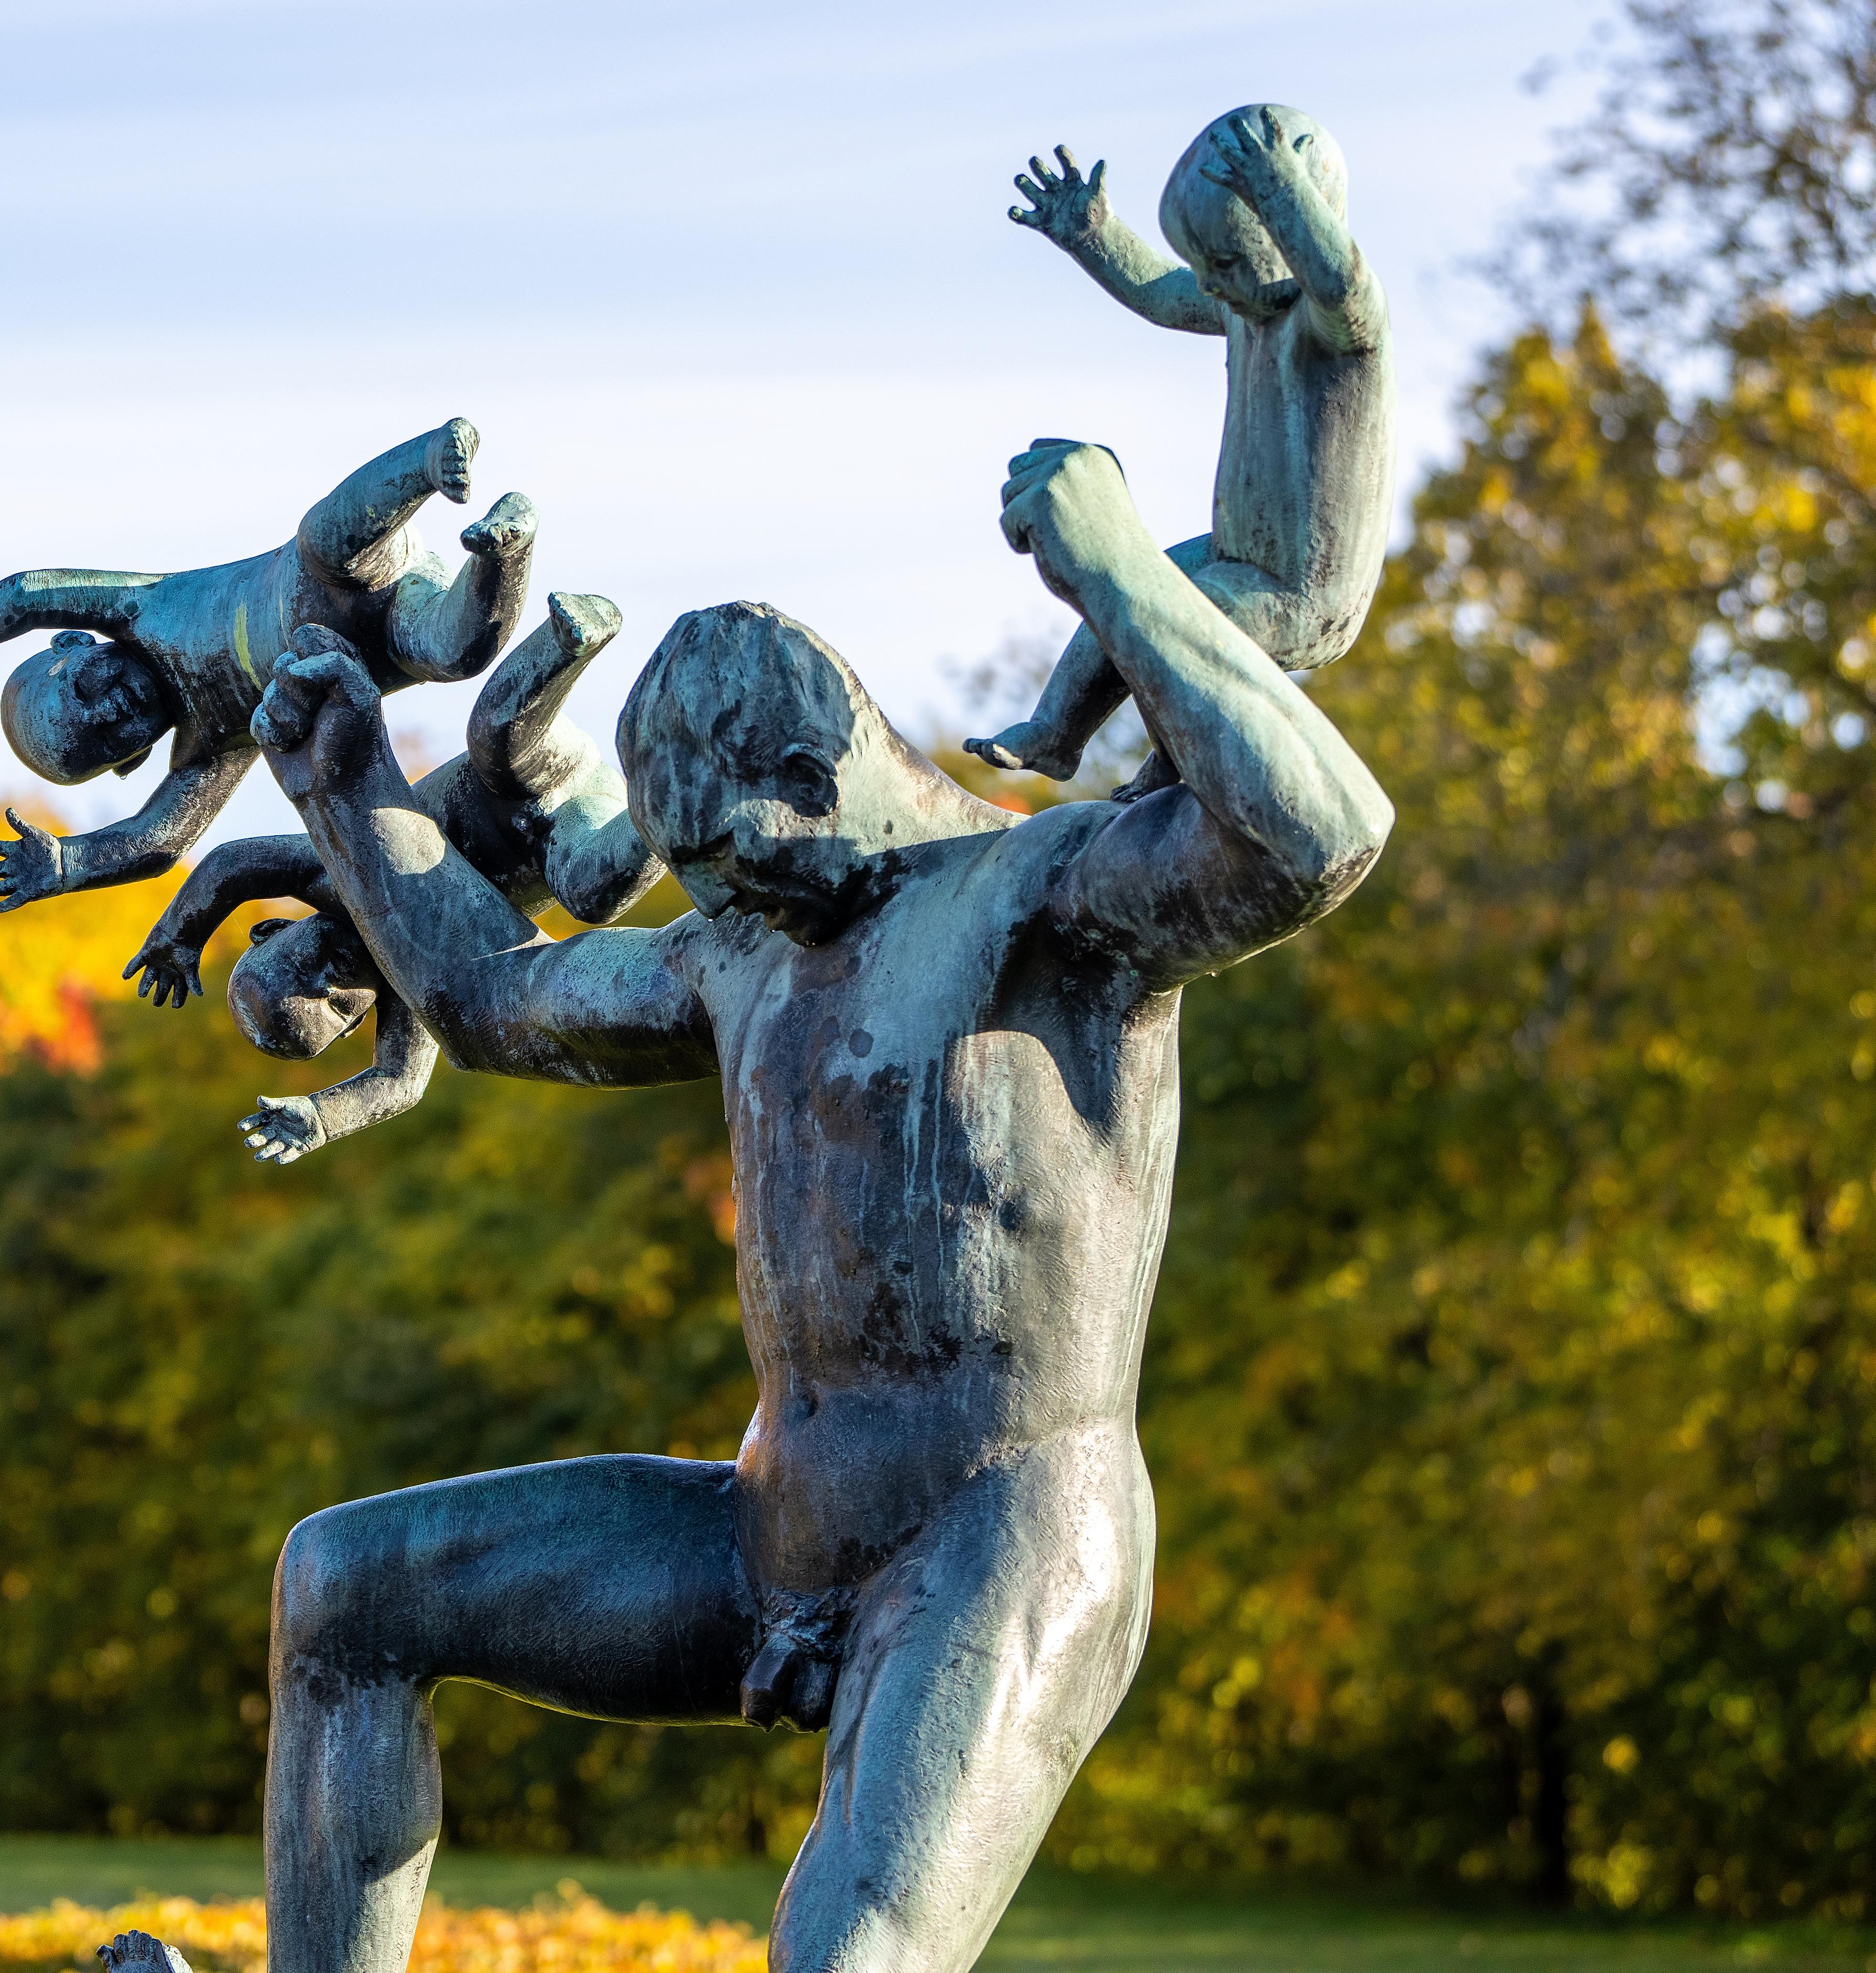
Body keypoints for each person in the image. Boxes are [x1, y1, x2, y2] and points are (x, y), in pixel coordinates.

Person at [111, 437, 1390, 1973]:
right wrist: (348, 785)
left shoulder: (1052, 898)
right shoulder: (738, 947)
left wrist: (1111, 564)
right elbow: (491, 1000)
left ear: (809, 778)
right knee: (344, 1590)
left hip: (996, 1538)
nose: (720, 911)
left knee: (846, 1957)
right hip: (763, 1532)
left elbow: (1320, 834)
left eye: (737, 868)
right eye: (698, 881)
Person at [112, 593, 661, 1161]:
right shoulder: (409, 986)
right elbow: (399, 1082)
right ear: (356, 1026)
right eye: (338, 1006)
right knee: (592, 896)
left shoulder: (331, 872)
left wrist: (178, 935)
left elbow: (231, 864)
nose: (335, 976)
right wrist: (322, 1117)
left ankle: (568, 641)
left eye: (306, 966)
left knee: (497, 734)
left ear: (273, 929)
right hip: (573, 835)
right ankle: (669, 797)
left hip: (520, 777)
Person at [0, 418, 539, 909]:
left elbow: (27, 595)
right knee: (456, 652)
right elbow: (160, 840)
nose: (110, 708)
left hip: (322, 571)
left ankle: (429, 460)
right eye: (107, 738)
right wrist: (72, 865)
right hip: (388, 639)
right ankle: (505, 549)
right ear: (130, 762)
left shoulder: (141, 607)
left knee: (329, 536)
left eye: (83, 690)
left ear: (75, 644)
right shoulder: (213, 743)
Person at [965, 104, 1393, 789]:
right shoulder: (1245, 304)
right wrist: (1093, 236)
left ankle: (1170, 770)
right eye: (1205, 264)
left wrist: (1283, 189)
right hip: (1236, 553)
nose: (1211, 282)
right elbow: (1163, 296)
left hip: (1302, 591)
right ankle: (1057, 732)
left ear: (1291, 236)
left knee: (1175, 625)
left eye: (1223, 262)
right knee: (1131, 583)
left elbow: (1342, 283)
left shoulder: (1338, 330)